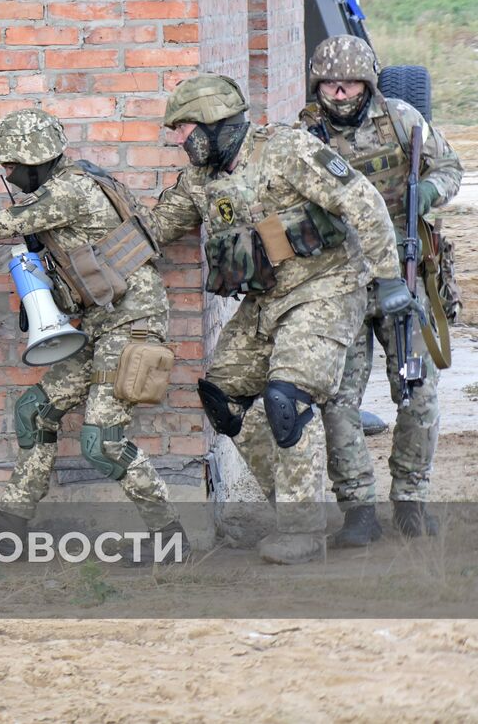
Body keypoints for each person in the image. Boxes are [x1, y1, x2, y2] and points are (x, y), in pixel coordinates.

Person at [148, 73, 407, 564]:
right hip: (267, 301)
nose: (176, 139)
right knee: (223, 395)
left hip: (325, 287)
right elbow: (155, 230)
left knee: (286, 398)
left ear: (213, 122)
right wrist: (87, 248)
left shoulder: (287, 151)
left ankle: (303, 530)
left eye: (182, 128)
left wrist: (389, 278)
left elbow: (364, 202)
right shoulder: (201, 181)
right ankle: (300, 507)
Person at [0, 109, 187, 555]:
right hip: (104, 323)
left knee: (102, 441)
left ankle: (169, 537)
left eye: (10, 165)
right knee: (35, 411)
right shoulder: (74, 181)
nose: (6, 174)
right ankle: (13, 523)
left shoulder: (70, 189)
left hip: (131, 322)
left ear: (36, 159)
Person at [297, 36, 464, 544]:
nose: (339, 92)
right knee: (338, 400)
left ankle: (411, 500)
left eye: (348, 83)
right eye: (329, 83)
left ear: (367, 83)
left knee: (417, 392)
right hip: (339, 283)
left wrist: (425, 194)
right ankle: (357, 510)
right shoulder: (304, 136)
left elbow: (450, 169)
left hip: (404, 273)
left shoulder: (402, 121)